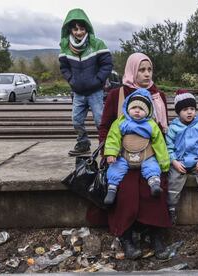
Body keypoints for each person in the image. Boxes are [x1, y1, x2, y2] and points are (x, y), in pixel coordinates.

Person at [93, 53, 170, 260]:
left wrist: (164, 159)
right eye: (141, 70)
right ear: (132, 71)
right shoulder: (117, 94)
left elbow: (161, 132)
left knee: (154, 187)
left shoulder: (157, 96)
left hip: (148, 155)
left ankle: (156, 236)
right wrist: (107, 153)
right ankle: (126, 237)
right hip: (121, 156)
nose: (146, 74)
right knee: (124, 188)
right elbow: (105, 127)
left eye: (149, 70)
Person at [59, 8, 113, 156]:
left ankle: (106, 146)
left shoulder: (97, 44)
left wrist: (98, 80)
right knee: (76, 120)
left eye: (82, 28)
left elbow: (107, 64)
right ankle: (83, 143)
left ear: (87, 28)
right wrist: (71, 80)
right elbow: (64, 67)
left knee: (100, 121)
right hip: (78, 92)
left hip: (95, 91)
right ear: (70, 29)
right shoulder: (65, 46)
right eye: (75, 29)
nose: (79, 32)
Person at [103, 89, 170, 205]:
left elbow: (159, 143)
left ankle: (154, 184)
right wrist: (111, 153)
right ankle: (112, 189)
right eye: (134, 108)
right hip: (125, 155)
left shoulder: (151, 125)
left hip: (146, 155)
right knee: (116, 167)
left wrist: (164, 163)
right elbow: (113, 137)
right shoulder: (121, 122)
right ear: (128, 108)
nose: (137, 111)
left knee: (152, 166)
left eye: (142, 109)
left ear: (148, 111)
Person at [166, 90, 198, 224]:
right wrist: (174, 161)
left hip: (197, 161)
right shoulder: (173, 128)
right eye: (185, 109)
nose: (189, 112)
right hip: (180, 162)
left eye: (192, 109)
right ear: (178, 112)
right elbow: (168, 146)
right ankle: (171, 209)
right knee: (173, 178)